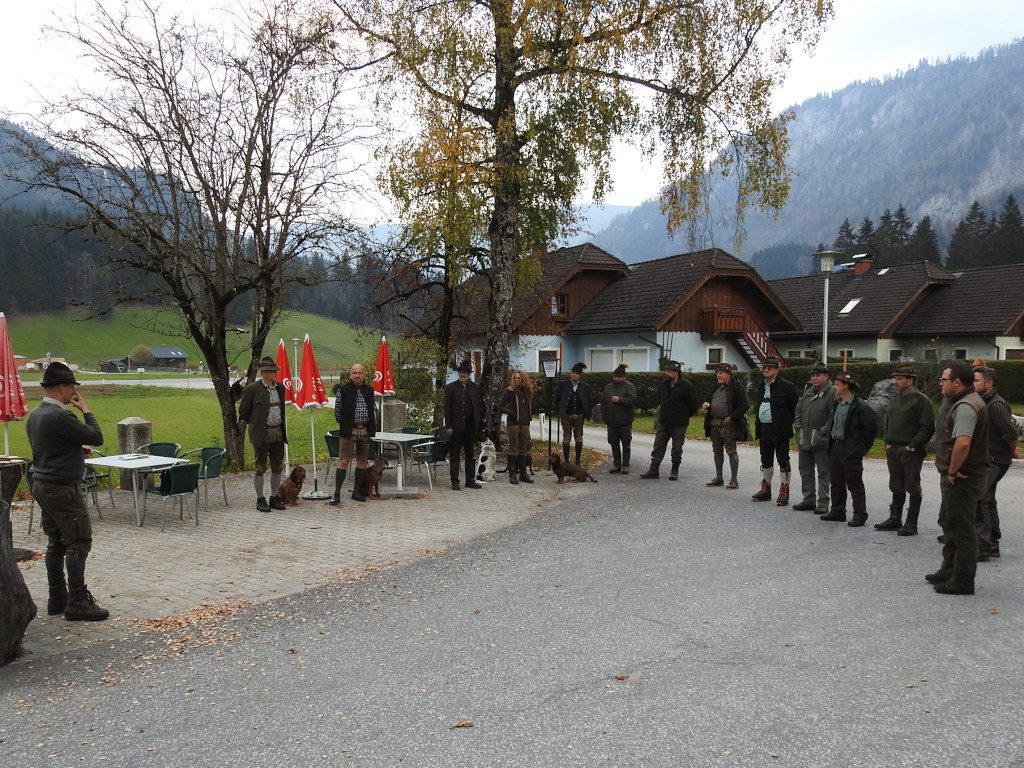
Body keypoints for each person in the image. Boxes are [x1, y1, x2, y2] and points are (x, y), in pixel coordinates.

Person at [25, 361, 108, 621]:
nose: (74, 391)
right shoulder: (61, 415)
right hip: (61, 488)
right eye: (72, 386)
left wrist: (74, 450)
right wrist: (86, 409)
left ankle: (57, 599)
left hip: (42, 484)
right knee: (79, 541)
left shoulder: (35, 415)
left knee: (56, 543)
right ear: (62, 387)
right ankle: (78, 602)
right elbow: (96, 437)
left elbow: (50, 448)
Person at [926, 361, 990, 595]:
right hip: (960, 475)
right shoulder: (961, 400)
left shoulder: (965, 405)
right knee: (949, 522)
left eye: (944, 379)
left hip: (963, 477)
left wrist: (953, 471)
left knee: (962, 528)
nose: (940, 383)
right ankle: (949, 570)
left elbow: (963, 442)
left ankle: (963, 580)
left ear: (957, 382)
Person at [875, 364, 935, 535]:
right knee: (896, 484)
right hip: (893, 448)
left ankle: (911, 523)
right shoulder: (895, 399)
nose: (896, 381)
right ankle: (895, 518)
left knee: (912, 484)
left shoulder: (920, 400)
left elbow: (927, 427)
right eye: (895, 378)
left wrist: (913, 445)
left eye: (900, 378)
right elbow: (888, 421)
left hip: (911, 450)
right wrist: (887, 441)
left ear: (910, 380)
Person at [972, 364, 1018, 560]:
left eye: (976, 380)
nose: (973, 384)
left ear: (989, 383)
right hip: (987, 458)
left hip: (995, 459)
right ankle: (992, 543)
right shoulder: (982, 401)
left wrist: (1012, 449)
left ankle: (986, 545)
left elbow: (1010, 433)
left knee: (981, 498)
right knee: (987, 499)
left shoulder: (997, 405)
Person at [821, 372, 877, 526]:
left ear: (846, 386)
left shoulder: (860, 406)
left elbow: (870, 430)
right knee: (835, 480)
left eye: (837, 384)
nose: (834, 387)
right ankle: (837, 511)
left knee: (854, 482)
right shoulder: (837, 404)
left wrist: (861, 448)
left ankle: (860, 513)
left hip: (851, 449)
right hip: (835, 446)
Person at [238, 356, 289, 513]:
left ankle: (274, 497)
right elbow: (243, 412)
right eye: (273, 371)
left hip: (278, 431)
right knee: (260, 466)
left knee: (277, 466)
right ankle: (260, 499)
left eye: (276, 371)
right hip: (261, 433)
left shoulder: (280, 388)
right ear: (265, 372)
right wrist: (257, 424)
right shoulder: (252, 389)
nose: (276, 373)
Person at [640, 360, 699, 480]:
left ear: (677, 372)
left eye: (670, 371)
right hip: (664, 422)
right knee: (658, 446)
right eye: (667, 371)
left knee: (677, 448)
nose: (667, 373)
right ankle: (654, 470)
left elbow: (693, 405)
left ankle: (674, 470)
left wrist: (684, 415)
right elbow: (660, 400)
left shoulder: (686, 386)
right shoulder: (663, 385)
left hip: (679, 424)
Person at [751, 357, 798, 505]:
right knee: (765, 459)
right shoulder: (761, 386)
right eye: (764, 367)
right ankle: (766, 489)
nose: (766, 370)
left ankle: (784, 490)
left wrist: (787, 424)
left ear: (777, 370)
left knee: (783, 459)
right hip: (764, 427)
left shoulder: (787, 387)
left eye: (769, 368)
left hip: (781, 429)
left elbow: (795, 409)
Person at [330, 363, 377, 505]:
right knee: (344, 461)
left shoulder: (369, 390)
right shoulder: (343, 390)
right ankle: (337, 494)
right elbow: (337, 412)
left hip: (365, 430)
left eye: (360, 373)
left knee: (362, 461)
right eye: (354, 373)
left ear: (364, 374)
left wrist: (370, 428)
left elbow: (371, 410)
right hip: (348, 431)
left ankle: (356, 492)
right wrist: (345, 426)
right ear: (350, 374)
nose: (357, 375)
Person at [792, 362, 836, 512]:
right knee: (805, 470)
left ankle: (823, 502)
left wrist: (822, 432)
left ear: (826, 376)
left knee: (823, 472)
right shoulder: (808, 392)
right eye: (812, 375)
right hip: (804, 439)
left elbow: (832, 417)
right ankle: (808, 499)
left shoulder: (832, 393)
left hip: (821, 442)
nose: (814, 378)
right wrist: (798, 428)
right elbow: (798, 411)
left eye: (818, 375)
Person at [702, 363, 748, 489]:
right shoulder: (714, 386)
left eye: (721, 373)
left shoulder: (737, 387)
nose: (718, 375)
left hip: (728, 425)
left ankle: (734, 480)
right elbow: (708, 399)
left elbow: (744, 405)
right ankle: (719, 478)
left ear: (728, 374)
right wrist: (706, 404)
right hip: (714, 423)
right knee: (717, 451)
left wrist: (732, 417)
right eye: (717, 373)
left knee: (731, 451)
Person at [444, 359, 483, 490]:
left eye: (465, 372)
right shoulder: (450, 388)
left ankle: (470, 480)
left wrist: (478, 424)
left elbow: (478, 406)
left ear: (469, 374)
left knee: (470, 455)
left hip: (470, 426)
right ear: (458, 373)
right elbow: (446, 409)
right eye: (461, 372)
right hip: (456, 427)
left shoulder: (475, 387)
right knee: (455, 455)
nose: (463, 374)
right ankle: (455, 481)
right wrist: (448, 426)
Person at [602, 363, 638, 474]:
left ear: (624, 376)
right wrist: (605, 416)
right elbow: (603, 403)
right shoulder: (608, 387)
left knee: (626, 444)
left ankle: (625, 465)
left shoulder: (629, 386)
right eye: (615, 376)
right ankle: (616, 465)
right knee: (614, 444)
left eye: (618, 376)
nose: (616, 378)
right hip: (611, 422)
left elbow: (632, 400)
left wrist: (620, 400)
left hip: (625, 421)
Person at [500, 368, 535, 485]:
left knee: (523, 448)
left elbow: (529, 406)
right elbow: (500, 406)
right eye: (515, 378)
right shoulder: (509, 390)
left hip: (525, 422)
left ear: (523, 379)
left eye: (519, 378)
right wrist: (511, 412)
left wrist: (529, 416)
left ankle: (523, 474)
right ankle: (512, 474)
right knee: (513, 447)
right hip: (513, 423)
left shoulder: (527, 391)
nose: (517, 380)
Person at [554, 362, 592, 466]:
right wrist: (561, 412)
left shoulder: (585, 386)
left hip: (579, 417)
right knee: (566, 438)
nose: (574, 375)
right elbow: (557, 399)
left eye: (576, 373)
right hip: (566, 416)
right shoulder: (563, 384)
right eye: (573, 373)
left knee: (579, 438)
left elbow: (589, 402)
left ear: (580, 375)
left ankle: (577, 461)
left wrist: (583, 414)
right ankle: (566, 461)